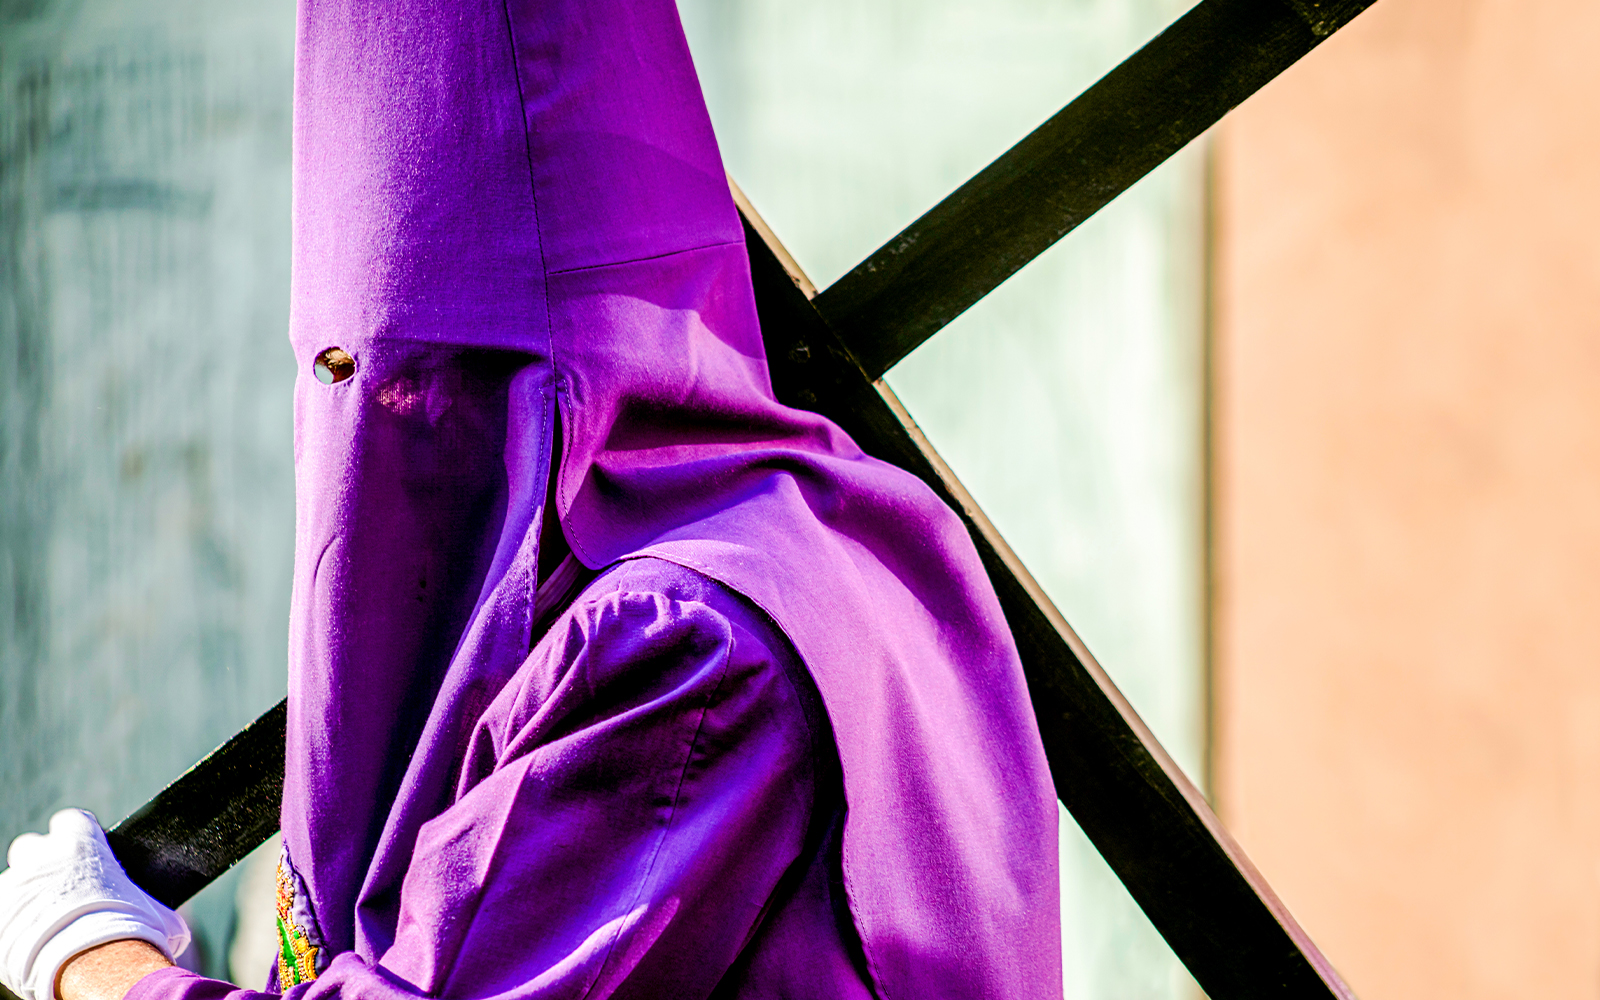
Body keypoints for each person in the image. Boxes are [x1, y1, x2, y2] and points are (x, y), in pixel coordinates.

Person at [0, 0, 1061, 997]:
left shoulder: (676, 643)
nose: (372, 434)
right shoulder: (840, 522)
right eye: (343, 383)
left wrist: (93, 959)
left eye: (419, 385)